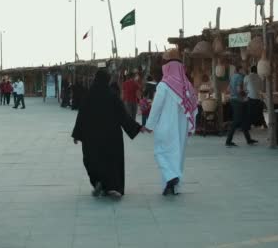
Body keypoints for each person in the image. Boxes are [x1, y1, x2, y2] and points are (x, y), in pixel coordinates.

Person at [72, 69, 143, 199]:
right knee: (111, 161)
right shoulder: (112, 95)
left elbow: (81, 116)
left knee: (92, 160)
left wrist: (77, 134)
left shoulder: (88, 96)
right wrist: (137, 127)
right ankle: (112, 187)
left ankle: (98, 182)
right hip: (111, 137)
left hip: (91, 138)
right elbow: (123, 115)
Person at [145, 57, 198, 196]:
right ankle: (173, 186)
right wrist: (192, 127)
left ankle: (170, 178)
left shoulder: (163, 85)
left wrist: (149, 125)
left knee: (161, 152)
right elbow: (194, 109)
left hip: (166, 126)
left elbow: (156, 107)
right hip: (182, 127)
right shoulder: (188, 87)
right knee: (177, 155)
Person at [225, 65, 258, 147]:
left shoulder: (232, 76)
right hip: (238, 101)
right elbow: (239, 89)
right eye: (243, 69)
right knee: (236, 121)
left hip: (233, 100)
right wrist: (245, 94)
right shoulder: (240, 77)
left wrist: (234, 94)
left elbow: (228, 89)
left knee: (243, 120)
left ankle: (249, 139)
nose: (245, 70)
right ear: (239, 69)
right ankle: (228, 141)